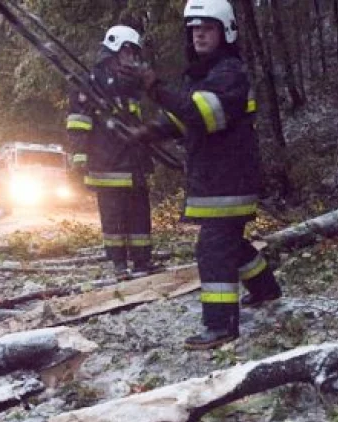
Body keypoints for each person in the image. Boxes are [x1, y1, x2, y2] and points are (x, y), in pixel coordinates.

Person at [129, 0, 282, 350]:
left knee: (213, 249)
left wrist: (157, 90)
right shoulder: (208, 74)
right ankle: (266, 289)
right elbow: (187, 117)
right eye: (194, 28)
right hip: (220, 176)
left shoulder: (229, 72)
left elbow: (202, 114)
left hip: (227, 178)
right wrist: (153, 130)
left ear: (224, 31)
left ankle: (220, 326)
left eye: (207, 28)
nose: (199, 34)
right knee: (230, 242)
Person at [66, 25, 158, 279]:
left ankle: (142, 262)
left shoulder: (131, 84)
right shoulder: (92, 82)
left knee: (140, 213)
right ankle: (119, 265)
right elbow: (78, 122)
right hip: (106, 162)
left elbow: (139, 121)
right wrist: (80, 156)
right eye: (130, 52)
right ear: (119, 49)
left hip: (134, 162)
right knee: (113, 216)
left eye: (135, 54)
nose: (133, 58)